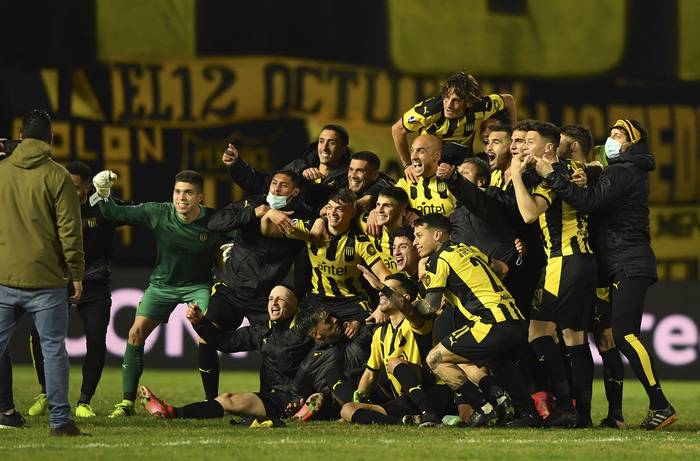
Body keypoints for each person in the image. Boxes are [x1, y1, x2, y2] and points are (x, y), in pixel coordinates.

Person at [533, 119, 677, 431]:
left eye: (617, 135)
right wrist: (590, 171)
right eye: (610, 134)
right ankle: (638, 408)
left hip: (628, 262)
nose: (609, 139)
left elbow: (589, 200)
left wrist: (551, 177)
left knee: (624, 334)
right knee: (617, 335)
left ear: (631, 142)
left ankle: (660, 403)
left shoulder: (623, 171)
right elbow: (598, 166)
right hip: (621, 262)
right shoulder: (626, 168)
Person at [92, 169, 232, 417]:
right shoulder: (158, 212)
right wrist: (103, 194)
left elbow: (245, 233)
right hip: (162, 286)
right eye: (178, 192)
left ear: (200, 197)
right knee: (135, 333)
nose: (181, 198)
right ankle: (127, 404)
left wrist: (235, 248)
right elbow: (114, 212)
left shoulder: (215, 221)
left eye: (188, 193)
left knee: (206, 334)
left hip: (198, 285)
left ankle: (212, 402)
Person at [0, 109, 86, 435]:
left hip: (3, 276)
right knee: (53, 351)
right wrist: (76, 273)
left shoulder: (2, 171)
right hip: (46, 280)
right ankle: (59, 421)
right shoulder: (58, 176)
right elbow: (70, 230)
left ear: (20, 137)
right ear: (51, 139)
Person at [24, 161, 131, 418]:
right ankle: (46, 392)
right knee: (40, 335)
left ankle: (85, 401)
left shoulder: (101, 207)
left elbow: (132, 214)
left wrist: (108, 199)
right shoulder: (52, 206)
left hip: (93, 283)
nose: (70, 192)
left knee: (95, 339)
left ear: (86, 186)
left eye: (75, 186)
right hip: (56, 281)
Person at [407, 214, 533, 427]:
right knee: (491, 359)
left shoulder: (440, 259)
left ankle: (485, 409)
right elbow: (502, 269)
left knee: (435, 359)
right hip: (516, 319)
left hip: (492, 322)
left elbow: (430, 307)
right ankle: (526, 413)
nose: (415, 242)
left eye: (419, 235)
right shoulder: (469, 249)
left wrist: (408, 303)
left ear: (437, 235)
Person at [511, 121, 596, 428]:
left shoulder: (551, 176)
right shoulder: (574, 168)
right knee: (574, 338)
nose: (523, 147)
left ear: (547, 148)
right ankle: (582, 414)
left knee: (538, 333)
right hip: (584, 261)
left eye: (529, 141)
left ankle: (564, 406)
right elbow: (595, 163)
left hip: (565, 261)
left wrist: (516, 177)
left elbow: (529, 213)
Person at [202, 170, 314, 399]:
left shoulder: (301, 216)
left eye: (283, 186)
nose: (276, 189)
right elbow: (215, 222)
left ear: (295, 191)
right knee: (206, 334)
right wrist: (259, 212)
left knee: (274, 347)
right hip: (232, 289)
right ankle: (210, 399)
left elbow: (310, 240)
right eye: (274, 183)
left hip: (265, 297)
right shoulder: (253, 203)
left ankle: (268, 400)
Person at [138, 285, 312, 421]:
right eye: (270, 299)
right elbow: (226, 342)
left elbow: (323, 363)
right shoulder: (263, 331)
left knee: (230, 401)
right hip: (274, 398)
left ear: (294, 304)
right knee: (228, 399)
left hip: (295, 399)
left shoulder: (308, 331)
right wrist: (200, 323)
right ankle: (170, 411)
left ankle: (312, 408)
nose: (273, 303)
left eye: (280, 300)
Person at [261, 189, 391, 324]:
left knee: (367, 329)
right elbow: (267, 229)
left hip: (351, 301)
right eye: (330, 207)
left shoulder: (360, 242)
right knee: (300, 333)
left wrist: (382, 306)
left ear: (352, 213)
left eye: (339, 209)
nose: (332, 213)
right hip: (318, 299)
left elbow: (385, 277)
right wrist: (270, 212)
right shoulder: (310, 229)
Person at [340, 273, 452, 427]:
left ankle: (429, 414)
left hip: (434, 391)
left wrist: (381, 287)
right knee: (347, 409)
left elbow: (411, 312)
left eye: (387, 289)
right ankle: (405, 421)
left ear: (404, 297)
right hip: (407, 400)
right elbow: (370, 374)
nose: (381, 292)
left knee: (394, 363)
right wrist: (358, 400)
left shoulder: (417, 321)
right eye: (381, 289)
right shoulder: (380, 334)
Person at [392, 71, 516, 183]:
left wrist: (512, 136)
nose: (448, 105)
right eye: (446, 98)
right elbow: (397, 130)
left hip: (461, 171)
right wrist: (407, 165)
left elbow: (509, 101)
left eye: (456, 101)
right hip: (429, 171)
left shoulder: (481, 107)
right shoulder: (429, 110)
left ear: (468, 103)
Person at [223, 125, 352, 212]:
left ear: (343, 148)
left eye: (332, 143)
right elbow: (260, 183)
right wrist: (235, 164)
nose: (324, 148)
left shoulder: (350, 177)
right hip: (288, 239)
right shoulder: (299, 166)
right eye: (321, 141)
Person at [396, 134, 457, 217]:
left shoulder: (453, 182)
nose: (413, 157)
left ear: (436, 157)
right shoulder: (406, 182)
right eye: (412, 150)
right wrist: (374, 212)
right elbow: (388, 203)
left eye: (421, 151)